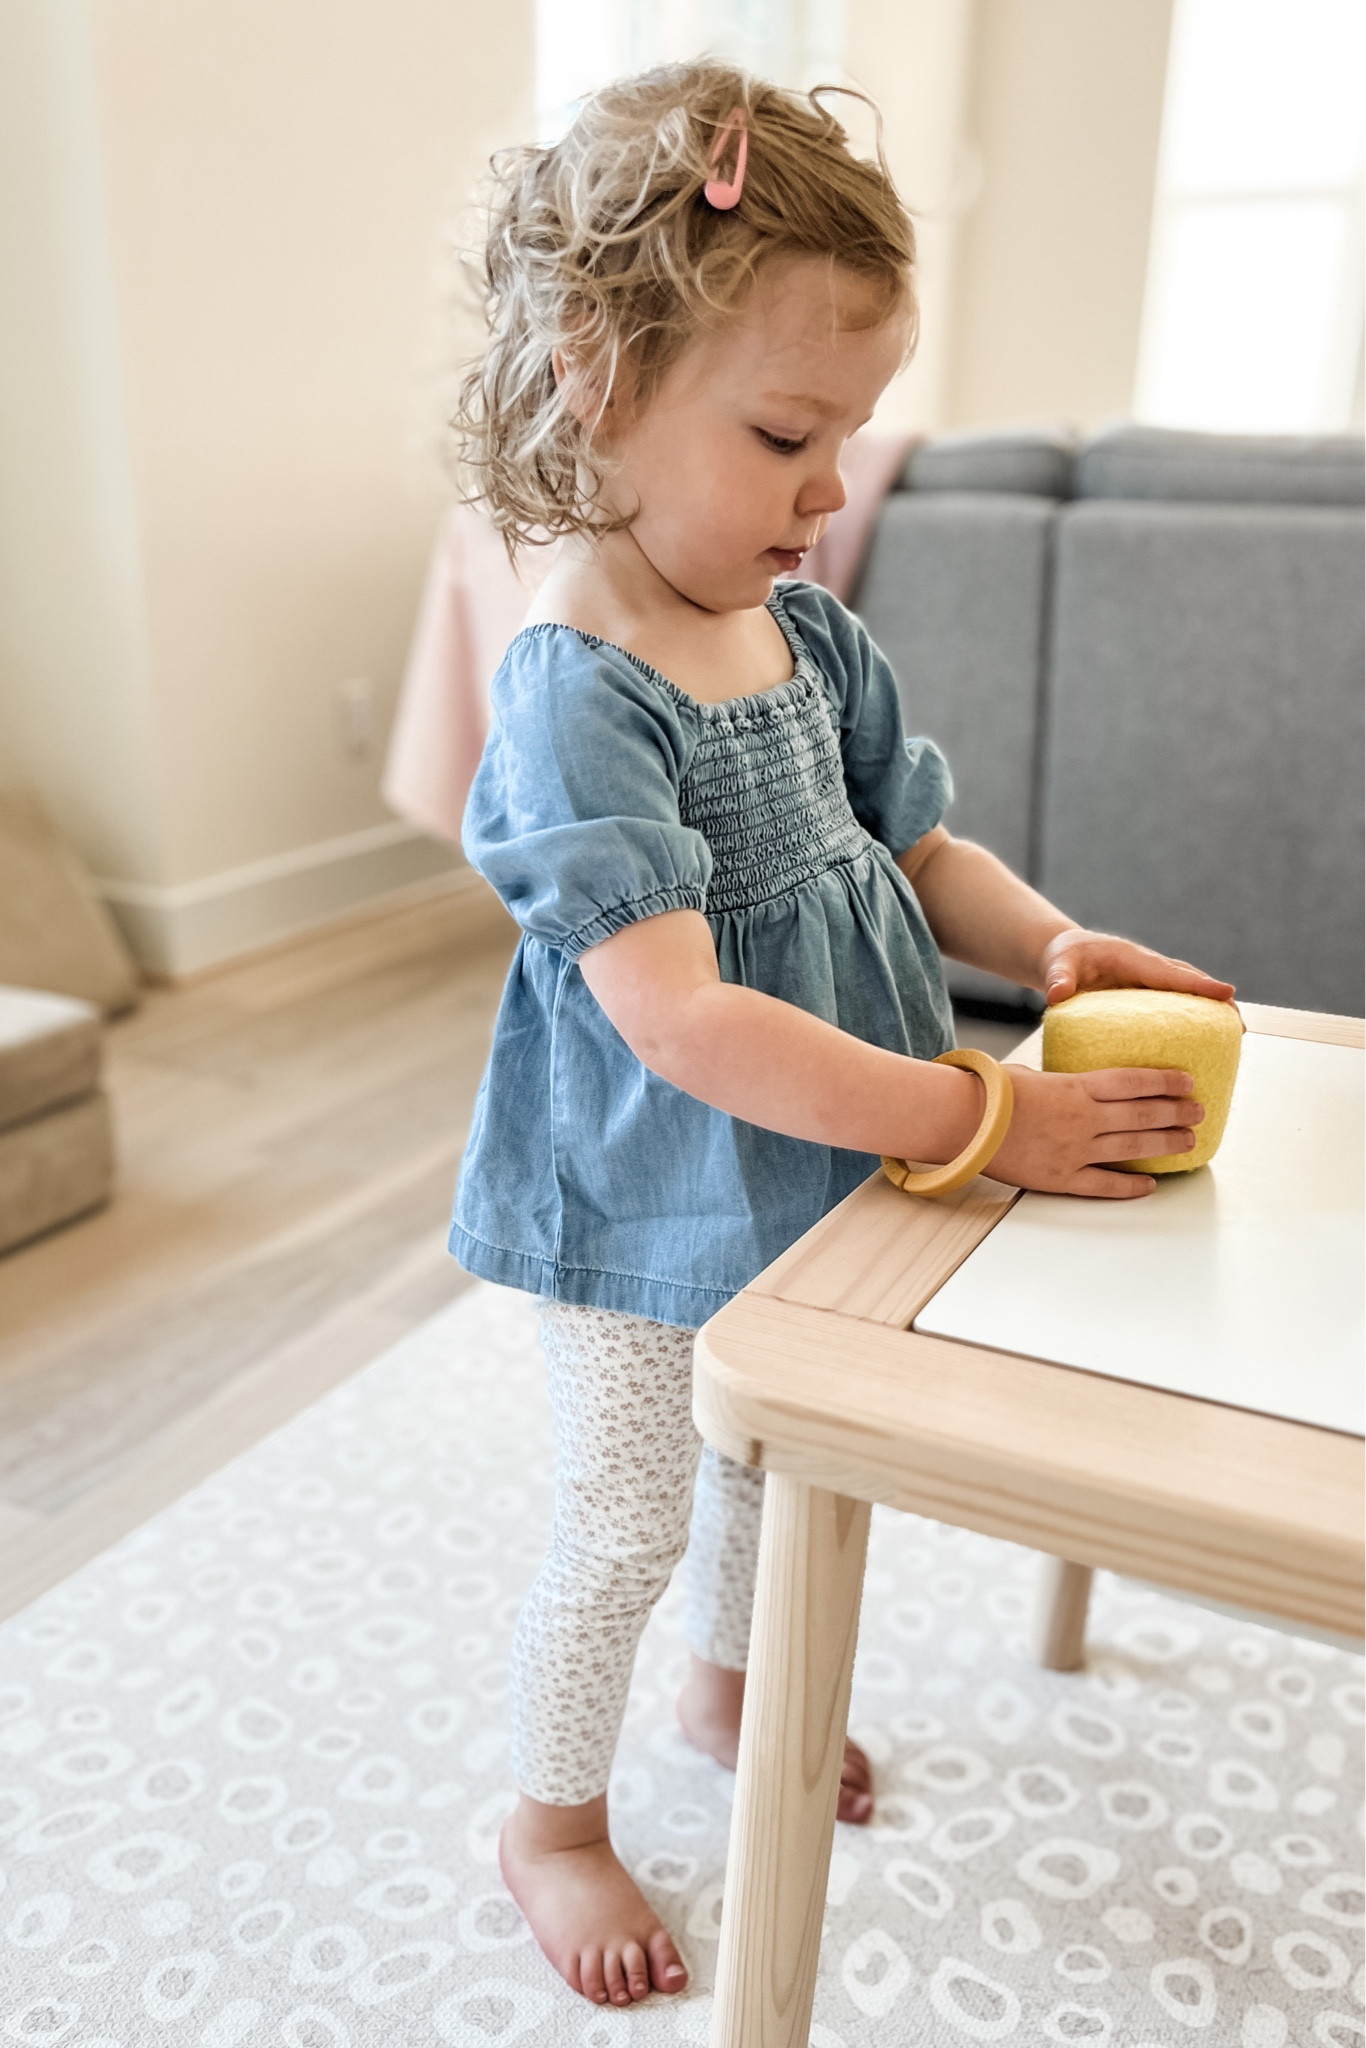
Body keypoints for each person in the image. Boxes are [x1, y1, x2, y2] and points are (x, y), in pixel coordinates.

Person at [447, 60, 1234, 2009]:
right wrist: (975, 1116)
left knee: (777, 1464)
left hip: (817, 1159)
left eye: (851, 438)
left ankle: (732, 1689)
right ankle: (549, 1819)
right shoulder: (577, 685)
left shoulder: (803, 628)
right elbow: (680, 1015)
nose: (831, 490)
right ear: (593, 383)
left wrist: (1051, 948)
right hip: (640, 1200)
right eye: (788, 434)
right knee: (629, 1508)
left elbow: (921, 846)